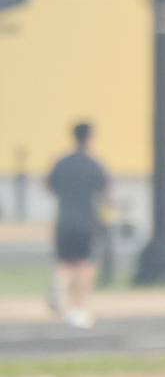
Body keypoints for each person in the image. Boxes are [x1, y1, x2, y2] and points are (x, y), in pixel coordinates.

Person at [45, 120, 110, 328]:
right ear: (90, 138)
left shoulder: (61, 163)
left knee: (65, 262)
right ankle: (79, 308)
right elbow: (105, 193)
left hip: (64, 219)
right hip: (86, 220)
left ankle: (59, 286)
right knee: (84, 265)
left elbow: (50, 187)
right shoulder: (94, 165)